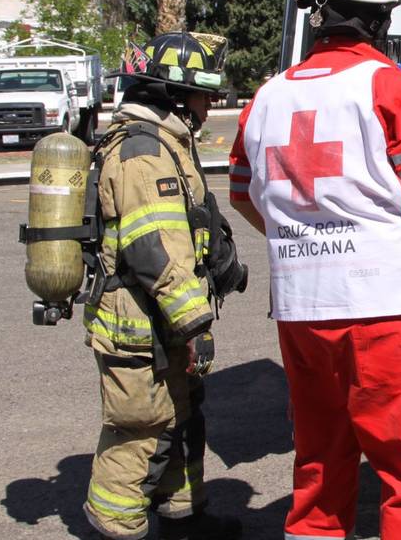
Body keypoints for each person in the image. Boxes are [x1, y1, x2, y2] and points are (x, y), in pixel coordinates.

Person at [228, 0, 401, 540]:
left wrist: (304, 237)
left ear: (319, 12)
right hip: (384, 310)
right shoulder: (395, 90)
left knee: (319, 466)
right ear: (383, 17)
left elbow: (243, 195)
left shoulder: (266, 96)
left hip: (300, 310)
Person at [83, 31, 243, 540]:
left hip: (161, 320)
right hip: (139, 323)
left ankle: (182, 519)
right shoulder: (143, 153)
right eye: (202, 93)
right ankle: (116, 527)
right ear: (172, 95)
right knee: (142, 429)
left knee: (183, 417)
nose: (209, 103)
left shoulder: (166, 143)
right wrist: (197, 323)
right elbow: (157, 251)